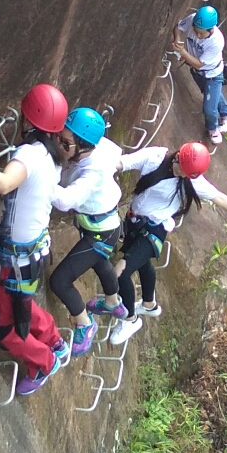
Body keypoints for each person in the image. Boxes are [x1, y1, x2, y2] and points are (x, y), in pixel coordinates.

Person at [0, 84, 94, 396]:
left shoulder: (28, 154)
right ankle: (54, 340)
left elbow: (5, 182)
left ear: (27, 120)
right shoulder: (53, 154)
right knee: (15, 301)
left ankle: (44, 361)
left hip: (15, 260)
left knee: (0, 328)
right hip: (28, 254)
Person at [115, 141, 227, 326]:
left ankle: (130, 320)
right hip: (134, 221)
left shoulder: (192, 180)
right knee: (143, 264)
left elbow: (217, 196)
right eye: (183, 171)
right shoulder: (155, 157)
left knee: (120, 272)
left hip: (155, 228)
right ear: (177, 157)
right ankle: (149, 304)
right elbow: (123, 162)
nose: (184, 176)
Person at [47, 108, 137, 354]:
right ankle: (112, 302)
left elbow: (65, 201)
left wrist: (39, 180)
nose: (59, 144)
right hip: (99, 224)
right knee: (99, 262)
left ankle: (85, 323)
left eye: (65, 142)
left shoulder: (93, 170)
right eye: (58, 137)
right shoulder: (96, 146)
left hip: (101, 231)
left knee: (59, 281)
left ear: (84, 146)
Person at [172, 3, 227, 144]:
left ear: (211, 29)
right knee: (210, 95)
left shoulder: (217, 42)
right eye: (196, 31)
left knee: (209, 108)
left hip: (212, 74)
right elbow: (178, 26)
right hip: (197, 73)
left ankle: (213, 129)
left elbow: (199, 63)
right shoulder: (192, 19)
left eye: (202, 33)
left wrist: (182, 52)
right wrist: (177, 39)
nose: (198, 35)